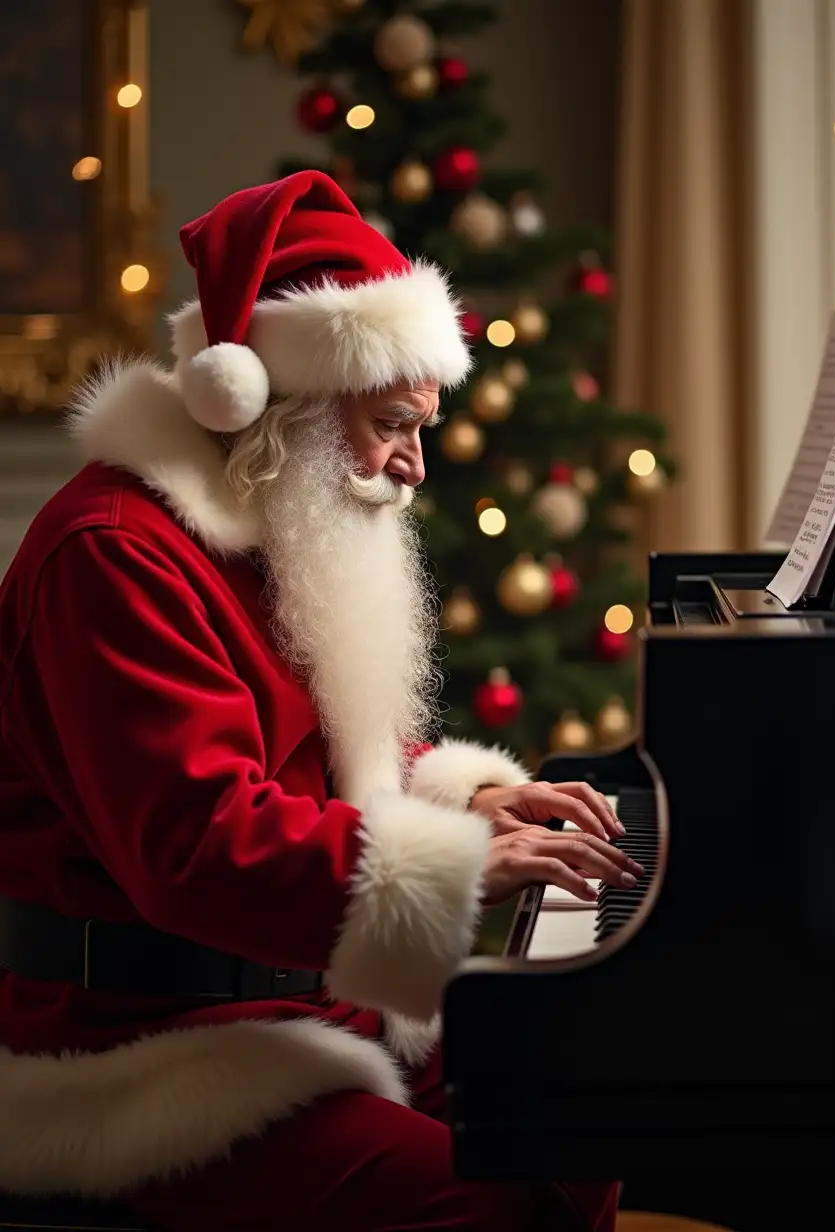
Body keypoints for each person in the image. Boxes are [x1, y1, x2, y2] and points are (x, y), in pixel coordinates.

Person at [0, 172, 641, 1231]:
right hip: (142, 1049)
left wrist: (464, 805)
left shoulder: (266, 523)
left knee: (579, 1118)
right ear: (272, 402)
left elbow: (331, 762)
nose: (412, 465)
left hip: (301, 996)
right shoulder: (111, 553)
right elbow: (201, 843)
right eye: (392, 423)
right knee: (492, 1206)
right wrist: (463, 864)